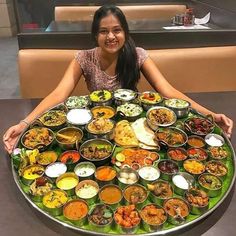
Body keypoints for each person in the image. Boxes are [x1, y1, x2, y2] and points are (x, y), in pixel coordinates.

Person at [3, 4, 233, 154]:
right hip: (96, 129)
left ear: (125, 32)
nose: (111, 36)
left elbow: (169, 91)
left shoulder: (138, 55)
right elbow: (57, 95)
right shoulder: (84, 58)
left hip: (133, 127)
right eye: (104, 31)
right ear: (95, 35)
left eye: (117, 30)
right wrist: (24, 124)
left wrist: (210, 114)